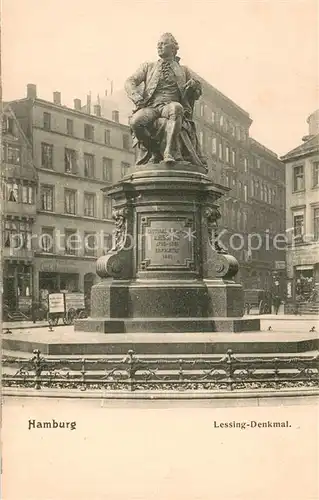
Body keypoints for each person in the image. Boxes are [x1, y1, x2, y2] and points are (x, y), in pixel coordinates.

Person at [125, 33, 207, 167]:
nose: (159, 46)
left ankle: (168, 151)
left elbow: (197, 93)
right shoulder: (148, 67)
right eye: (158, 44)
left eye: (163, 44)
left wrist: (194, 86)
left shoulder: (183, 70)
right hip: (151, 107)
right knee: (135, 122)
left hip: (169, 106)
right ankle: (154, 150)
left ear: (174, 49)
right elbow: (130, 81)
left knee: (177, 108)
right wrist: (135, 95)